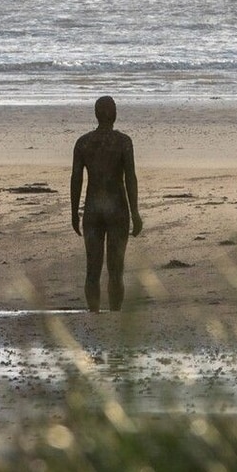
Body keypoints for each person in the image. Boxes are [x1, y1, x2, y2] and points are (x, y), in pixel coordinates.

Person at [68, 95, 142, 313]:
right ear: (115, 114)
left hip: (92, 209)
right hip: (117, 209)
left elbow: (76, 179)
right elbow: (130, 178)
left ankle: (93, 313)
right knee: (115, 269)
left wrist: (74, 211)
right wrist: (135, 212)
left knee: (93, 269)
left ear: (96, 114)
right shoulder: (123, 142)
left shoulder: (83, 143)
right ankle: (115, 314)